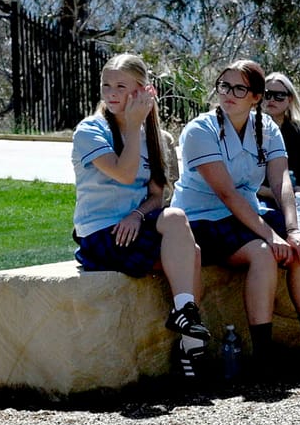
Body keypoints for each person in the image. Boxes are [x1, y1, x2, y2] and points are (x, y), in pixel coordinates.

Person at [172, 58, 300, 384]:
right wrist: (272, 237)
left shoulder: (267, 128)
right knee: (263, 252)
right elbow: (227, 194)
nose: (228, 93)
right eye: (224, 85)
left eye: (239, 88)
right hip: (204, 220)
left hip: (246, 215)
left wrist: (293, 230)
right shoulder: (200, 130)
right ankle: (264, 358)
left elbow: (281, 180)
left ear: (255, 97)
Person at [71, 53, 209, 381]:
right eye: (106, 85)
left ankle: (188, 338)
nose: (111, 93)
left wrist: (136, 214)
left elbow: (157, 196)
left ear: (143, 91)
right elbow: (123, 173)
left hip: (134, 226)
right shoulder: (90, 130)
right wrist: (133, 127)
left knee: (184, 235)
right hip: (101, 234)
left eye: (121, 86)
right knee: (189, 255)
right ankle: (190, 334)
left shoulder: (155, 137)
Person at [258, 72, 300, 218]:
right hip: (263, 198)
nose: (271, 100)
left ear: (290, 99)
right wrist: (270, 192)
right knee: (266, 216)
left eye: (279, 95)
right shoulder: (249, 130)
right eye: (267, 94)